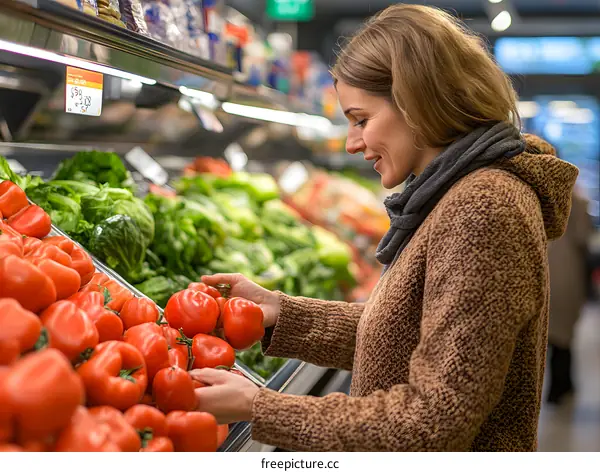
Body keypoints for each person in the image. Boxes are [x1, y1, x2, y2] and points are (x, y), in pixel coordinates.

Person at [190, 4, 579, 451]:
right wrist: (279, 313)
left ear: (417, 101)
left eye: (361, 120)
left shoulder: (483, 208)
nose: (353, 142)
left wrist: (261, 407)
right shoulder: (455, 193)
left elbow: (432, 422)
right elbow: (408, 333)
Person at [546, 187, 592, 404]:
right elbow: (584, 237)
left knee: (548, 335)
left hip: (544, 269)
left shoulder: (536, 195)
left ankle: (561, 386)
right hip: (568, 271)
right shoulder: (578, 201)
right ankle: (560, 388)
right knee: (563, 337)